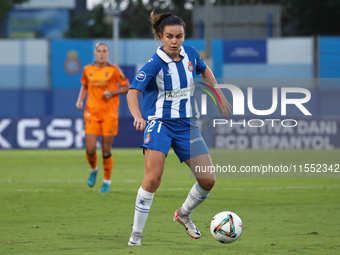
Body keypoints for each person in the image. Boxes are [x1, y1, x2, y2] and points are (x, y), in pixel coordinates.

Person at [126, 11, 232, 246]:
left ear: (184, 36)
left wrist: (219, 94)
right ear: (161, 37)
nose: (175, 41)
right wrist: (137, 116)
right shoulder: (154, 64)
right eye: (170, 36)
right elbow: (133, 92)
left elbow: (205, 70)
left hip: (187, 125)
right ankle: (136, 234)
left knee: (208, 180)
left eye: (179, 36)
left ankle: (183, 213)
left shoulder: (191, 54)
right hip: (160, 123)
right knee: (153, 179)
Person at [76, 43, 130, 193]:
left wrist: (112, 92)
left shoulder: (113, 70)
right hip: (91, 113)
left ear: (108, 54)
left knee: (106, 149)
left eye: (104, 51)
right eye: (99, 51)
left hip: (109, 115)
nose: (101, 54)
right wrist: (80, 99)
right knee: (90, 148)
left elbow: (127, 87)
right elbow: (85, 86)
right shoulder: (87, 69)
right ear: (95, 53)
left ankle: (106, 181)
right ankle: (94, 169)